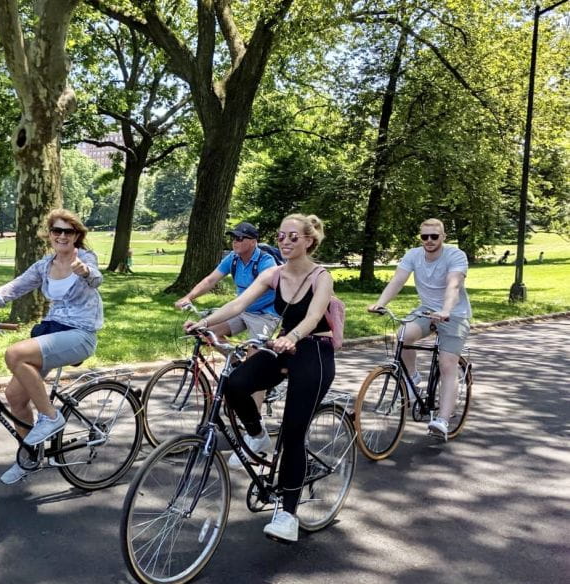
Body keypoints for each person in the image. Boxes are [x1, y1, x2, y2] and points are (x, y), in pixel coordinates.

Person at [185, 214, 336, 543]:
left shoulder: (321, 277)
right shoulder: (273, 274)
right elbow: (239, 303)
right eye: (281, 236)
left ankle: (288, 514)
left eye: (293, 237)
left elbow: (313, 317)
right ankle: (257, 436)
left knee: (294, 433)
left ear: (309, 241)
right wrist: (205, 323)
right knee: (236, 384)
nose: (285, 242)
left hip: (314, 351)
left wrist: (292, 337)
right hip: (284, 345)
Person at [0, 209, 103, 485]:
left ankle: (50, 417)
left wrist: (84, 270)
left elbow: (95, 278)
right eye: (57, 231)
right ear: (50, 235)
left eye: (68, 232)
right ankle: (30, 457)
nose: (62, 236)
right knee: (15, 397)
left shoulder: (85, 259)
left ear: (77, 236)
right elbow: (11, 289)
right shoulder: (44, 265)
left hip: (80, 334)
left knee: (15, 353)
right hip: (52, 333)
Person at [368, 217, 472, 441]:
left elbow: (454, 284)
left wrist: (445, 310)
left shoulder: (455, 255)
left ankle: (442, 420)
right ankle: (413, 375)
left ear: (443, 236)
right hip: (426, 310)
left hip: (454, 313)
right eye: (425, 236)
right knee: (403, 335)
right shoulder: (413, 255)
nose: (429, 240)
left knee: (447, 363)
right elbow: (398, 280)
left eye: (434, 236)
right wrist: (381, 303)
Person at [175, 222, 279, 340]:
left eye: (239, 238)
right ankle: (235, 359)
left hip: (265, 314)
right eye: (233, 238)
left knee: (254, 356)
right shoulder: (233, 258)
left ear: (253, 242)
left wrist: (205, 320)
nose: (234, 241)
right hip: (241, 310)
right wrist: (189, 297)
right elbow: (210, 280)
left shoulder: (266, 261)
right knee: (208, 334)